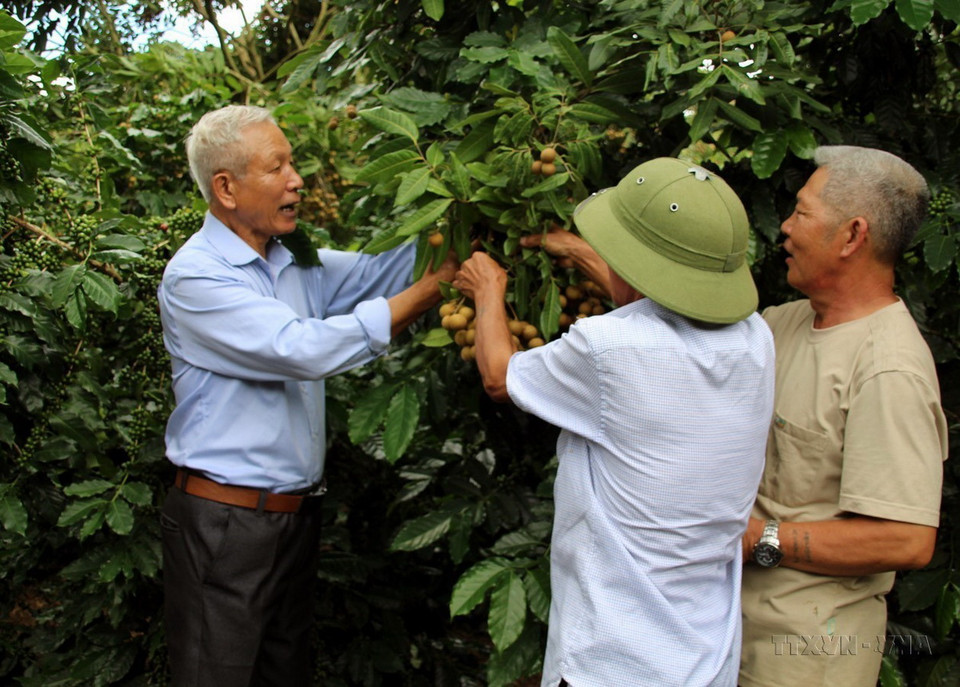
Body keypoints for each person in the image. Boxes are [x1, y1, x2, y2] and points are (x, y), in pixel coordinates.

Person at [157, 104, 457, 686]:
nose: (297, 179)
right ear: (226, 187)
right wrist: (428, 293)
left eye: (293, 162)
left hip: (292, 519)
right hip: (226, 524)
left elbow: (378, 274)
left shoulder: (296, 258)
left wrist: (463, 219)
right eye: (278, 167)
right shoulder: (196, 276)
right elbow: (300, 349)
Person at [453, 157, 776, 686]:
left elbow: (498, 375)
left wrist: (488, 290)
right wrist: (580, 252)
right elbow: (669, 315)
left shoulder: (608, 348)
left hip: (612, 658)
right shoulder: (756, 340)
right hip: (705, 658)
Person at [738, 146, 949, 687]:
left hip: (808, 657)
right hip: (734, 636)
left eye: (802, 212)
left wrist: (759, 538)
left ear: (853, 235)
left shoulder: (887, 368)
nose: (783, 227)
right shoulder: (783, 322)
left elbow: (905, 539)